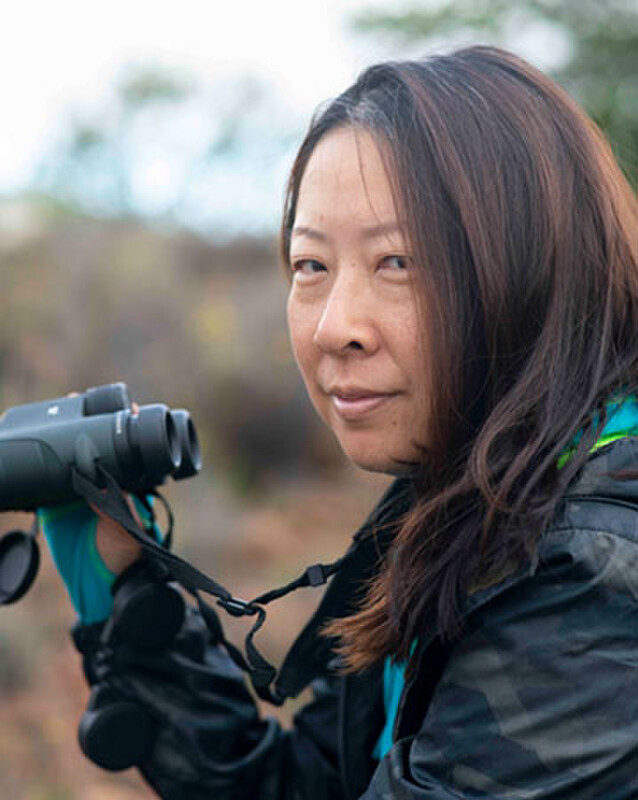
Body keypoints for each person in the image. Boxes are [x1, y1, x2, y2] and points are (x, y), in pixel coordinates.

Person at [40, 45, 638, 799]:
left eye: (398, 262)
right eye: (311, 266)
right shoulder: (471, 493)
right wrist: (127, 593)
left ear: (536, 269)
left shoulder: (593, 566)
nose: (333, 327)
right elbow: (312, 786)